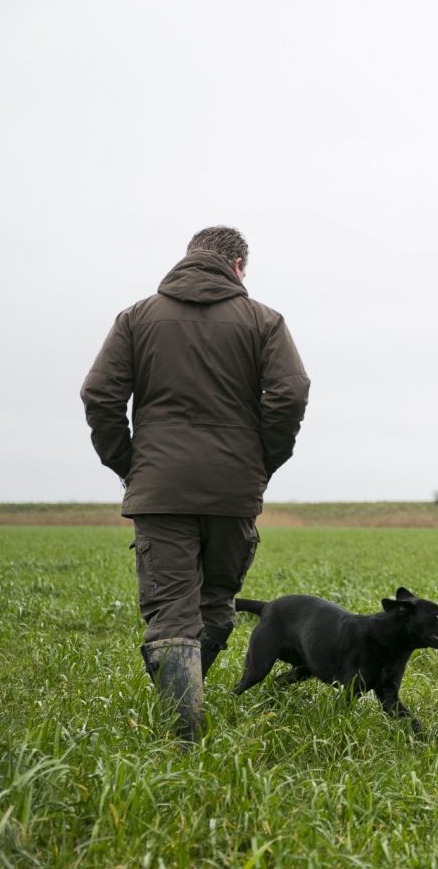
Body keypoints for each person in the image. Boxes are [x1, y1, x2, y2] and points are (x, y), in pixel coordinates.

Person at [80, 226, 310, 740]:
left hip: (159, 490)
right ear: (238, 268)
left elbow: (99, 394)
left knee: (171, 610)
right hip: (233, 489)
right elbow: (290, 394)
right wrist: (260, 461)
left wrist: (132, 464)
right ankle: (185, 721)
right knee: (215, 602)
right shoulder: (264, 321)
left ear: (189, 259)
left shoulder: (137, 318)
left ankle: (179, 731)